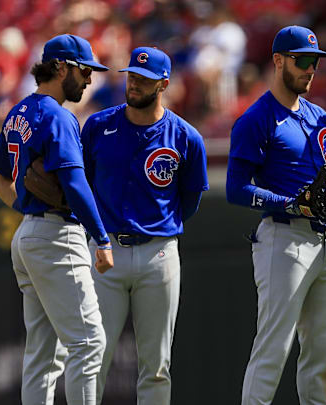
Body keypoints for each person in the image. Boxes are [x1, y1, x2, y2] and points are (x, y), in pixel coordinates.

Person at [226, 26, 326, 405]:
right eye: (302, 61)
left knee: (322, 358)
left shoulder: (321, 119)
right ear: (278, 61)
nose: (310, 69)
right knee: (272, 351)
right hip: (284, 238)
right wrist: (292, 204)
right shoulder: (257, 118)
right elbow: (236, 189)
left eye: (315, 62)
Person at [0, 34, 113, 405]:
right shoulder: (58, 116)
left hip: (29, 235)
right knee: (89, 344)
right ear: (61, 67)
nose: (89, 79)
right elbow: (74, 183)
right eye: (84, 70)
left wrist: (25, 208)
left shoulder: (21, 110)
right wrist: (101, 239)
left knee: (44, 355)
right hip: (57, 236)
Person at [80, 47, 209, 405]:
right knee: (93, 357)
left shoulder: (186, 137)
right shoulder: (98, 125)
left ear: (164, 83)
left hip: (159, 252)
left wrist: (160, 228)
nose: (134, 84)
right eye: (131, 76)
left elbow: (190, 199)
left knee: (156, 365)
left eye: (144, 79)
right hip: (105, 251)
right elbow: (83, 186)